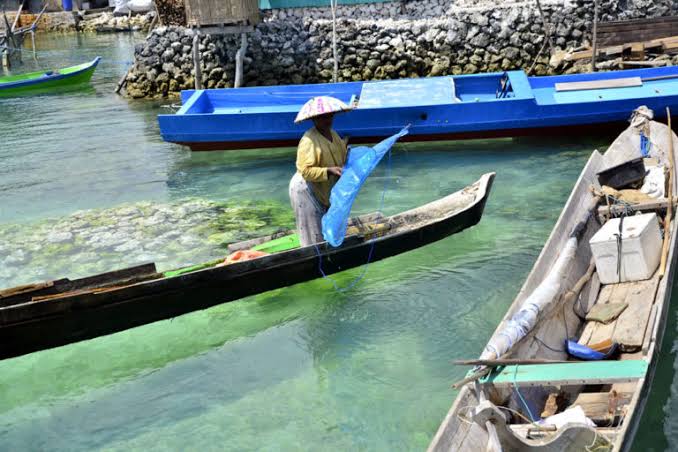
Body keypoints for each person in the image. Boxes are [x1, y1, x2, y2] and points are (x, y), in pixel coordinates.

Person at [289, 98, 350, 246]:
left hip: (322, 186)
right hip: (305, 188)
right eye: (322, 117)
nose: (327, 120)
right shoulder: (309, 140)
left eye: (329, 116)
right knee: (312, 232)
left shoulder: (333, 135)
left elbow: (341, 156)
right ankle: (314, 258)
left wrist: (348, 155)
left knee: (324, 225)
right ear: (314, 119)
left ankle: (326, 252)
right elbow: (306, 171)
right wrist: (328, 171)